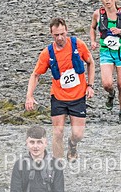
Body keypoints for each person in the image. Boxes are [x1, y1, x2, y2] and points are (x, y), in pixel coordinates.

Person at [25, 17, 95, 161]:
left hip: (78, 97)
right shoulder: (47, 53)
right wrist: (29, 96)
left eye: (62, 34)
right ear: (52, 35)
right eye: (56, 35)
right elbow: (36, 75)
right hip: (58, 98)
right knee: (57, 133)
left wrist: (90, 85)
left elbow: (90, 62)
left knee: (78, 134)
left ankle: (72, 144)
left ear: (66, 31)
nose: (60, 38)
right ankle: (58, 166)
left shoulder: (78, 45)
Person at [90, 0, 121, 124]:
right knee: (107, 83)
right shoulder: (98, 14)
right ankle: (111, 94)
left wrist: (120, 31)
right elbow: (92, 28)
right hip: (106, 52)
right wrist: (93, 40)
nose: (107, 0)